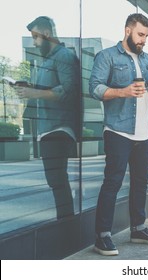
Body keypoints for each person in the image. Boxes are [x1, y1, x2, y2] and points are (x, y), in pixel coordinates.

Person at [89, 13, 148, 256]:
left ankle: (138, 228)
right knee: (112, 183)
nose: (144, 40)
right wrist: (122, 91)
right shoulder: (107, 56)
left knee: (140, 183)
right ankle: (102, 236)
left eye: (146, 36)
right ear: (127, 31)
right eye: (140, 34)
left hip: (144, 132)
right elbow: (94, 88)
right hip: (118, 130)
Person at [15, 16, 80, 219]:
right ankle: (65, 221)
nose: (34, 42)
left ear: (46, 34)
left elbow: (68, 90)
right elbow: (48, 90)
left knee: (57, 179)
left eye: (35, 37)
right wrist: (30, 88)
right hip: (48, 128)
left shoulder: (64, 56)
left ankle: (66, 223)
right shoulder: (48, 61)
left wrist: (35, 93)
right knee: (55, 180)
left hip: (59, 128)